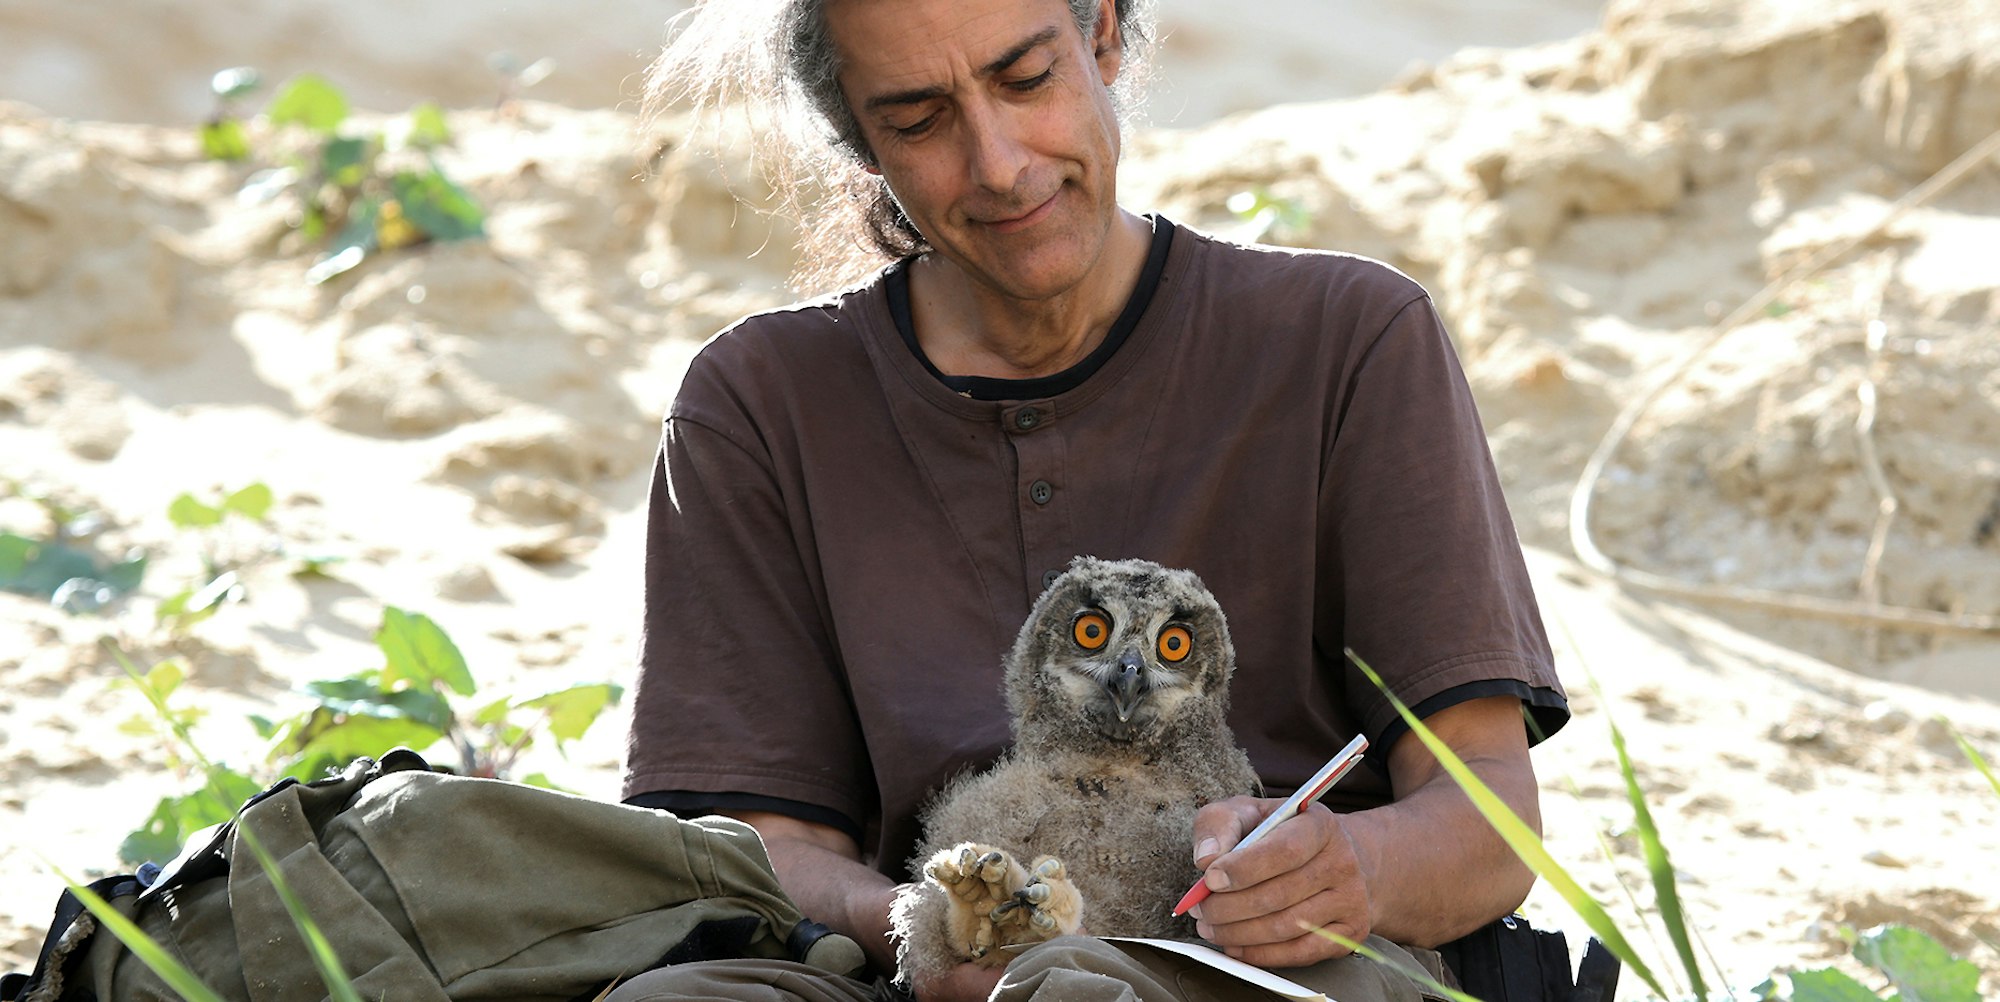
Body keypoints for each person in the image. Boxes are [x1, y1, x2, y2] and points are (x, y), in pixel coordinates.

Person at [614, 1, 1570, 1000]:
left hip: (1271, 972)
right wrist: (929, 927)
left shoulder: (1348, 340)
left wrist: (1350, 870)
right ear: (856, 135)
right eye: (918, 120)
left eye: (1026, 80)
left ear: (1102, 35)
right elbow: (757, 846)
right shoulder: (759, 404)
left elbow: (1485, 818)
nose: (998, 165)